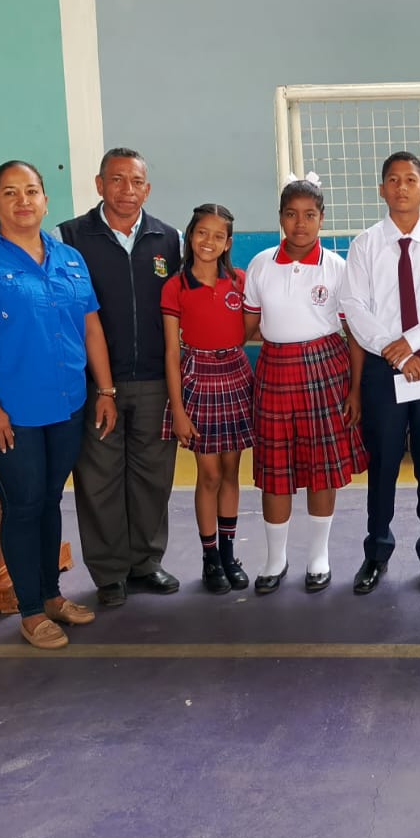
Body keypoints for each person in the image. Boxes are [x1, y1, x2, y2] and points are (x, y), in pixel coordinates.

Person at [0, 160, 116, 649]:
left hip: (67, 405)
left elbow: (91, 328)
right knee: (22, 505)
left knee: (49, 499)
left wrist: (105, 391)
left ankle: (52, 595)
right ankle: (31, 610)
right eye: (11, 192)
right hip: (9, 412)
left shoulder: (69, 258)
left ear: (45, 200)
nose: (23, 201)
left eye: (32, 191)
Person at [340, 151, 420, 598]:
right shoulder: (364, 246)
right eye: (393, 180)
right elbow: (354, 308)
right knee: (383, 465)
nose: (401, 187)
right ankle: (376, 553)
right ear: (382, 189)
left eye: (410, 179)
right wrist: (395, 352)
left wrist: (413, 343)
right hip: (383, 368)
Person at [57, 148, 183, 609]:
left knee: (153, 478)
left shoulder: (169, 239)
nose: (126, 190)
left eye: (136, 182)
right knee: (99, 481)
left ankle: (146, 562)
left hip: (155, 381)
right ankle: (110, 573)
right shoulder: (69, 238)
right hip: (94, 384)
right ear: (99, 184)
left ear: (147, 189)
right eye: (116, 180)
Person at [243, 174, 368, 594]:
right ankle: (274, 559)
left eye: (309, 215)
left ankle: (318, 557)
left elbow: (354, 334)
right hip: (275, 370)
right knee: (274, 469)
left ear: (322, 218)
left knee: (321, 468)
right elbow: (248, 325)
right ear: (280, 217)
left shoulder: (338, 268)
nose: (300, 223)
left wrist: (354, 390)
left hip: (326, 370)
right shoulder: (260, 265)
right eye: (292, 214)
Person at [162, 203, 254, 594]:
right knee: (210, 474)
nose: (209, 241)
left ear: (228, 243)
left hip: (235, 374)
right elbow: (171, 352)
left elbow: (250, 328)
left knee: (231, 472)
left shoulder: (240, 280)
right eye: (202, 233)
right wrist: (179, 412)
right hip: (197, 377)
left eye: (218, 236)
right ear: (190, 235)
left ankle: (229, 554)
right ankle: (210, 556)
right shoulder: (175, 286)